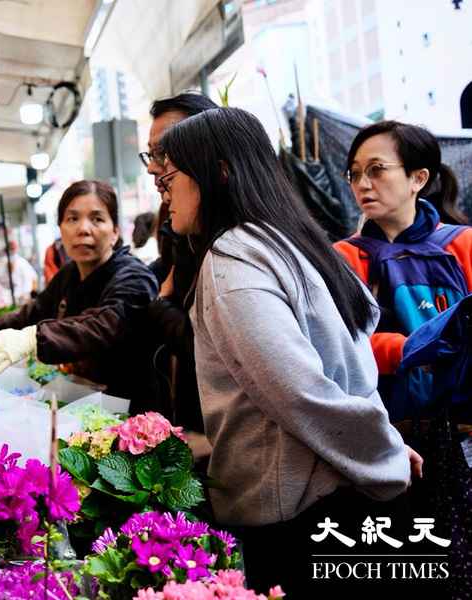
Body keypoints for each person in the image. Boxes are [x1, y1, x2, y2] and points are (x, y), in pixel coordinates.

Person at [158, 107, 418, 595]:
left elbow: (296, 391)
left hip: (300, 513)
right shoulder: (290, 240)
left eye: (170, 177)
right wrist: (382, 445)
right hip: (339, 494)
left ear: (217, 173)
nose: (165, 192)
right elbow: (348, 367)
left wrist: (382, 453)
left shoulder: (234, 256)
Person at [0, 180, 158, 406]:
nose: (83, 229)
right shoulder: (70, 274)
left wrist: (32, 339)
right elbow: (37, 310)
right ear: (60, 229)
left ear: (115, 231)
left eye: (97, 219)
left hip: (131, 411)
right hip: (84, 402)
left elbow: (103, 324)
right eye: (72, 219)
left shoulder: (134, 277)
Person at [334, 120, 472, 419]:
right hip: (387, 428)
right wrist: (408, 349)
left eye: (376, 169)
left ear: (418, 178)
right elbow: (339, 346)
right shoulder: (343, 257)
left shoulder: (464, 244)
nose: (362, 184)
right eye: (355, 174)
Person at [141, 92, 218, 434]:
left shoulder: (232, 252)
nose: (154, 168)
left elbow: (207, 346)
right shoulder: (184, 236)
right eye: (151, 154)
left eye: (164, 153)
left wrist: (160, 306)